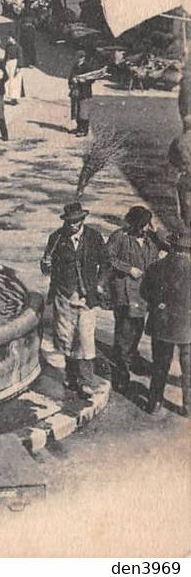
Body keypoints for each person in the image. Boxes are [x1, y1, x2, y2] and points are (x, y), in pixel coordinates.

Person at [41, 201, 109, 398]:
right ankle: (72, 378)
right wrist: (45, 264)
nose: (73, 224)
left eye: (77, 221)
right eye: (70, 221)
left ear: (83, 219)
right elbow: (46, 268)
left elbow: (106, 265)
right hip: (63, 296)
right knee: (67, 338)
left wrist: (100, 285)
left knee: (86, 339)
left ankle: (87, 382)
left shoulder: (94, 237)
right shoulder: (56, 238)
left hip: (87, 297)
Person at [106, 206, 160, 392]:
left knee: (137, 329)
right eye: (142, 225)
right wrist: (128, 269)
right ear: (133, 223)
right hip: (125, 292)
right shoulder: (119, 237)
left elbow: (170, 244)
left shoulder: (152, 239)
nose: (145, 229)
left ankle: (132, 359)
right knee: (124, 333)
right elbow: (108, 257)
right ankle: (121, 372)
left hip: (143, 292)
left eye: (147, 225)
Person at [141, 224, 191, 416]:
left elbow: (144, 292)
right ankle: (188, 408)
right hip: (187, 326)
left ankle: (154, 402)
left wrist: (159, 304)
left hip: (161, 324)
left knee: (160, 365)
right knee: (188, 369)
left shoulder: (156, 267)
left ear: (172, 246)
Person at [167, 116, 191, 224]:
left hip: (184, 173)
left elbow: (171, 158)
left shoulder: (178, 140)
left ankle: (187, 223)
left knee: (185, 201)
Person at [68, 50, 93, 137]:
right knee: (76, 110)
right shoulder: (75, 66)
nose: (79, 59)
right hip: (76, 91)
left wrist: (83, 81)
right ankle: (78, 127)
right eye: (78, 57)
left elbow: (92, 79)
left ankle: (84, 130)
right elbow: (70, 76)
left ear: (84, 57)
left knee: (83, 111)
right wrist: (72, 81)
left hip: (84, 91)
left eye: (81, 57)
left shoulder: (87, 66)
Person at [4, 32, 24, 103]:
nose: (8, 40)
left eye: (9, 38)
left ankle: (14, 98)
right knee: (9, 81)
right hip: (8, 64)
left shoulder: (18, 47)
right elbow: (5, 56)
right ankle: (10, 96)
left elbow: (20, 57)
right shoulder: (7, 47)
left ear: (13, 38)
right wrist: (4, 64)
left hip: (15, 64)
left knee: (15, 81)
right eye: (8, 38)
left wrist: (19, 66)